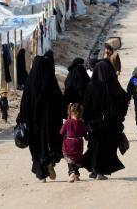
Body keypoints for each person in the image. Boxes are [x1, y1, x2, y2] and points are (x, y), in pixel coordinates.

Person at [16, 51, 65, 182]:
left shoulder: (29, 83)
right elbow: (60, 101)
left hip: (33, 125)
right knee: (50, 145)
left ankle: (41, 174)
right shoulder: (50, 82)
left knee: (36, 148)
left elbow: (24, 105)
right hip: (50, 124)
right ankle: (49, 162)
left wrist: (21, 119)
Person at [82, 60, 130, 180]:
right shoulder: (113, 86)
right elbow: (124, 100)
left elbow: (86, 106)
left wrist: (86, 121)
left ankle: (94, 169)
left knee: (93, 146)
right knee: (106, 147)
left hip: (94, 124)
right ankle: (99, 171)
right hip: (110, 124)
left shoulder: (91, 87)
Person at [60, 103, 88, 183]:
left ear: (70, 112)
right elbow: (85, 132)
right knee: (77, 157)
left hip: (69, 142)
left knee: (69, 158)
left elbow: (61, 132)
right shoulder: (81, 123)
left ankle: (72, 172)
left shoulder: (67, 122)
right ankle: (76, 173)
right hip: (78, 142)